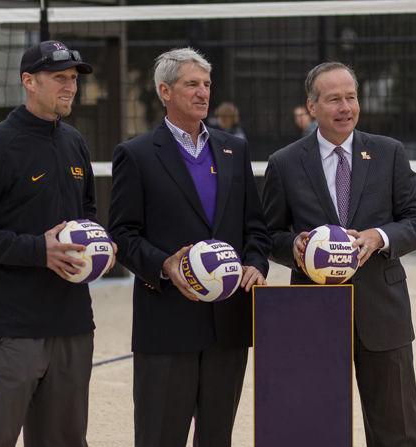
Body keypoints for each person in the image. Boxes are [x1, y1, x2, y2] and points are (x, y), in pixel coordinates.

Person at [262, 62, 416, 447]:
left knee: (398, 432)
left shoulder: (389, 153)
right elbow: (267, 234)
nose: (345, 107)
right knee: (315, 429)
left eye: (351, 97)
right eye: (334, 99)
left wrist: (378, 237)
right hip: (314, 313)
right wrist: (295, 247)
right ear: (312, 107)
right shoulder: (285, 163)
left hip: (383, 311)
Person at [109, 47, 270, 447]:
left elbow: (255, 227)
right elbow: (123, 235)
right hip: (166, 324)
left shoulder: (235, 149)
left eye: (207, 84)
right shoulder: (137, 154)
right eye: (191, 84)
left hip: (228, 325)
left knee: (217, 438)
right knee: (160, 436)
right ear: (164, 91)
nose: (202, 93)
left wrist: (255, 263)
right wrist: (165, 266)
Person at [0, 40, 107, 446]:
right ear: (28, 81)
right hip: (11, 329)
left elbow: (87, 212)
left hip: (73, 324)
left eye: (73, 79)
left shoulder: (75, 142)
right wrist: (39, 251)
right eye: (59, 78)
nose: (70, 87)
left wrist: (98, 247)